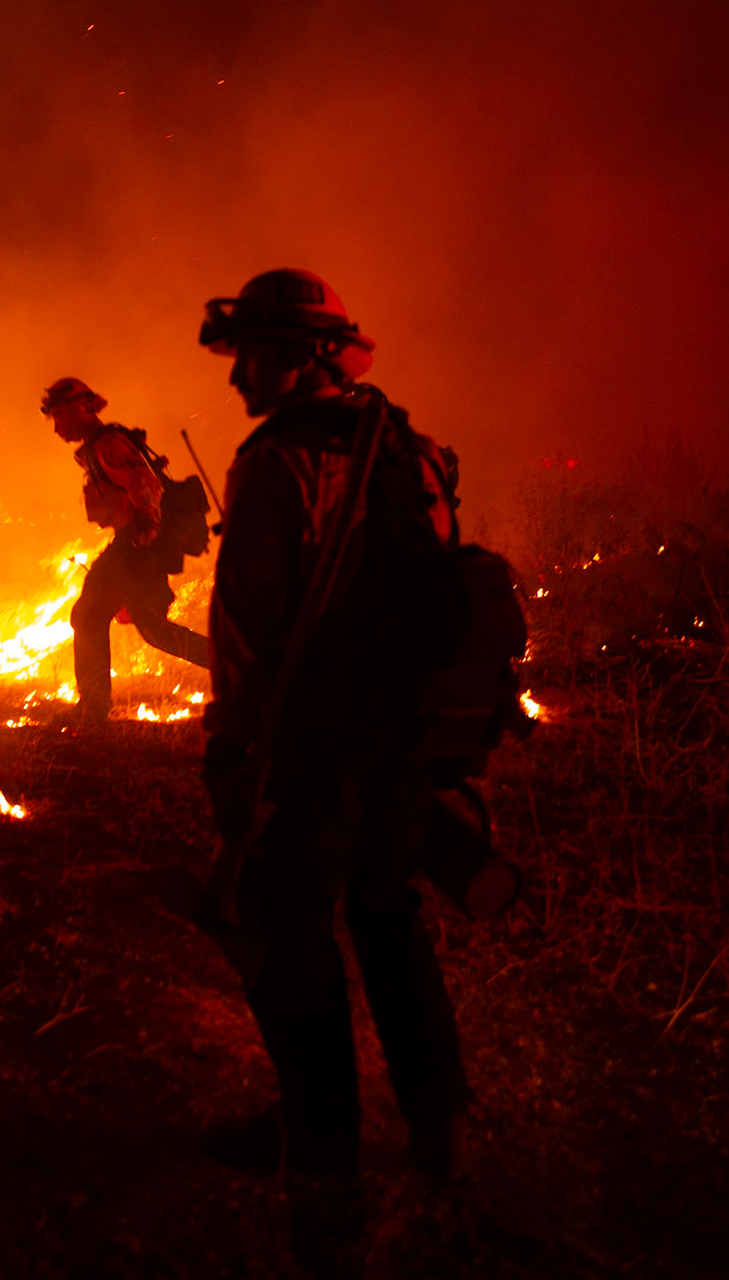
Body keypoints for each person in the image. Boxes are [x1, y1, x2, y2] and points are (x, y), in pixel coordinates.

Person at [196, 270, 465, 1273]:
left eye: (254, 356)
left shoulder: (273, 463)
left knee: (285, 924)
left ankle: (319, 1143)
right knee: (386, 911)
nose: (238, 380)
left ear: (303, 355)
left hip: (316, 735)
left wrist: (233, 736)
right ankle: (438, 1121)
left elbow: (252, 619)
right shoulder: (406, 442)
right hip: (403, 730)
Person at [42, 376, 210, 726]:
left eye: (60, 416)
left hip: (137, 544)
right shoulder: (98, 446)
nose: (56, 427)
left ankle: (92, 709)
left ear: (82, 411)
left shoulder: (109, 444)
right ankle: (247, 667)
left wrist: (145, 526)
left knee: (90, 616)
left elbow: (144, 483)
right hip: (133, 541)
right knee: (151, 629)